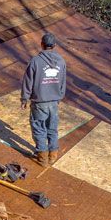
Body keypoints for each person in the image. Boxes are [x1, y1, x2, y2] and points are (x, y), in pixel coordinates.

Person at [21, 33, 67, 166]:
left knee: (39, 128)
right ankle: (53, 154)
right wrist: (60, 96)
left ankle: (42, 157)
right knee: (52, 128)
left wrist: (24, 98)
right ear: (55, 46)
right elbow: (63, 82)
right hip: (54, 102)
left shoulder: (36, 61)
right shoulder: (61, 61)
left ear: (41, 44)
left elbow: (27, 82)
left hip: (39, 102)